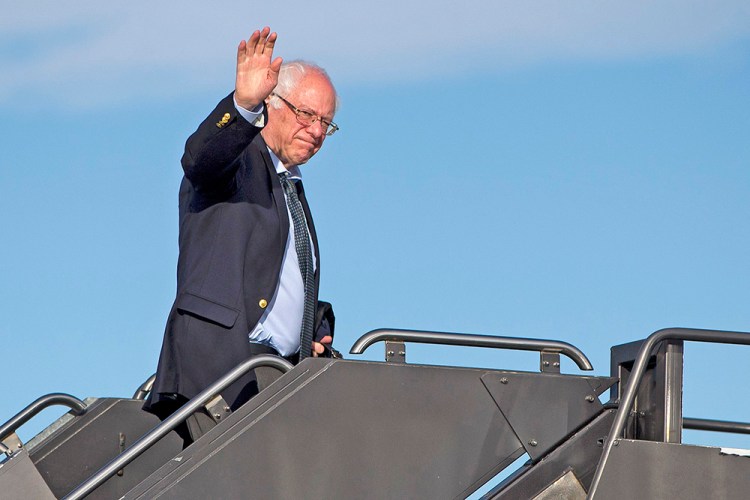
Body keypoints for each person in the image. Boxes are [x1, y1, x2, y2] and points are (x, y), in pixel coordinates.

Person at [143, 27, 338, 442]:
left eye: (326, 123)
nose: (317, 131)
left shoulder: (291, 184)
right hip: (223, 370)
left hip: (273, 372)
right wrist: (243, 105)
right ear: (273, 101)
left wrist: (310, 330)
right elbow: (200, 158)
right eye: (307, 115)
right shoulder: (239, 160)